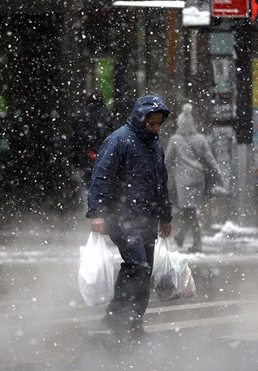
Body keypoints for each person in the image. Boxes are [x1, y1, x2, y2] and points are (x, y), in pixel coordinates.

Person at [87, 95, 172, 340]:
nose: (155, 128)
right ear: (140, 118)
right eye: (151, 123)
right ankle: (120, 317)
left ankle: (131, 321)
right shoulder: (119, 140)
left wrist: (165, 217)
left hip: (146, 219)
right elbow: (101, 176)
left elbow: (161, 184)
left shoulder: (154, 145)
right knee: (138, 267)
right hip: (122, 217)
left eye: (158, 124)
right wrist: (97, 212)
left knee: (144, 272)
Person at [165, 103, 224, 253]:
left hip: (183, 181)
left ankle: (196, 243)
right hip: (198, 179)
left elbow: (167, 161)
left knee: (189, 211)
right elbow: (210, 160)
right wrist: (219, 176)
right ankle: (181, 237)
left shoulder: (175, 140)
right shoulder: (200, 139)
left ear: (180, 124)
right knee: (188, 209)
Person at [71, 90, 115, 197]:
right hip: (103, 155)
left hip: (85, 155)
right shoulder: (108, 115)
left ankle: (88, 204)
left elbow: (75, 139)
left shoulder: (80, 115)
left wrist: (75, 159)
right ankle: (99, 203)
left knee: (86, 180)